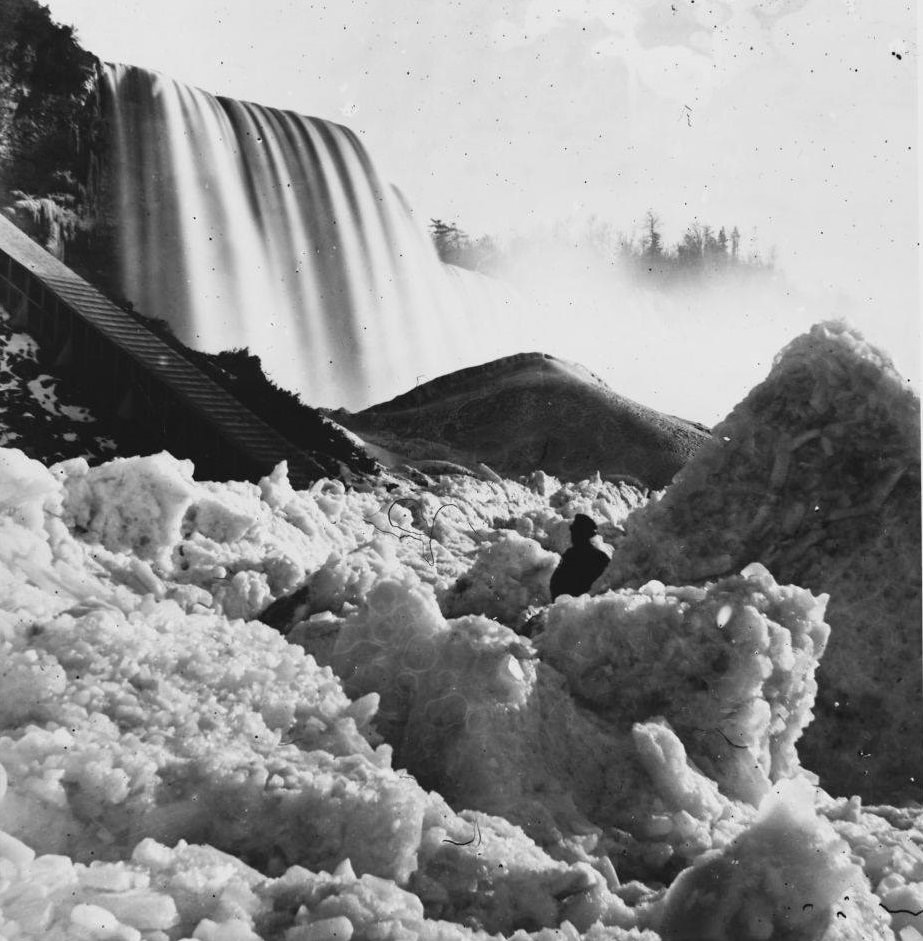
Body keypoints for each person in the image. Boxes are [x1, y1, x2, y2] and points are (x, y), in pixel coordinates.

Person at [549, 514, 610, 601]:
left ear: (583, 534)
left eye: (576, 532)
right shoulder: (570, 555)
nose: (572, 536)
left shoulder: (599, 558)